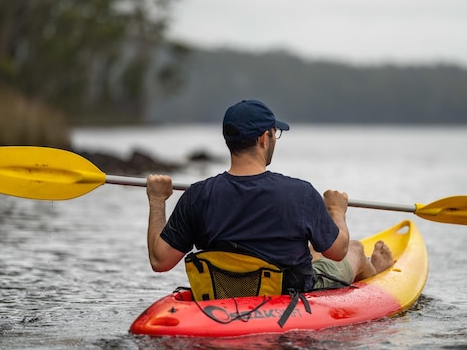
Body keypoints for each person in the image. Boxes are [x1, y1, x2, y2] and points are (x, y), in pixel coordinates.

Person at [146, 99, 393, 293]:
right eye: (275, 133)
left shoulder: (196, 195)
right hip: (288, 295)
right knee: (356, 249)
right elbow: (337, 252)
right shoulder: (301, 194)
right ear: (264, 138)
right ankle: (377, 272)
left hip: (223, 291)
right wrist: (336, 211)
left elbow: (160, 261)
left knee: (311, 250)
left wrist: (157, 201)